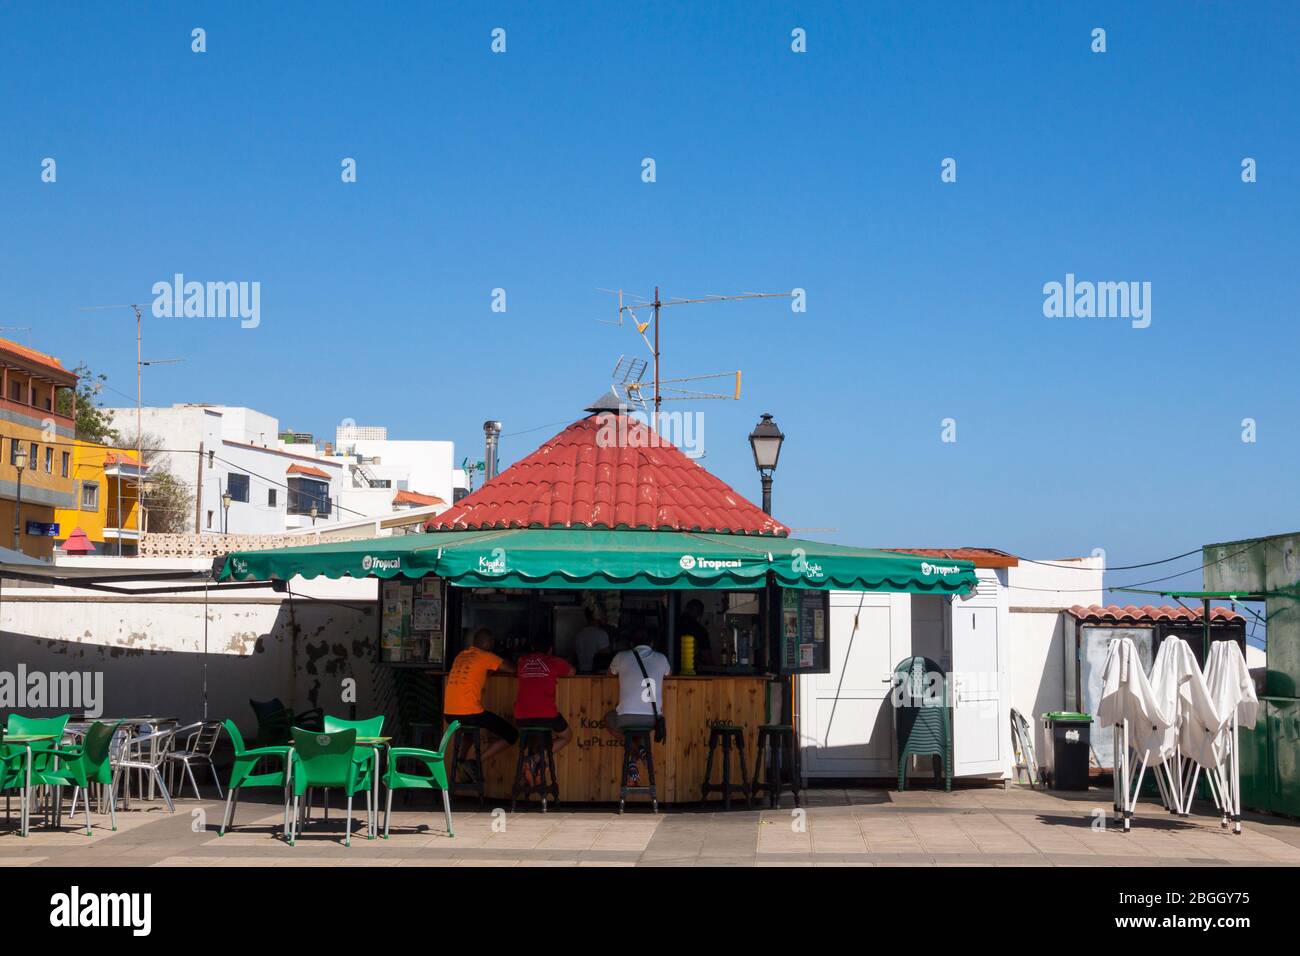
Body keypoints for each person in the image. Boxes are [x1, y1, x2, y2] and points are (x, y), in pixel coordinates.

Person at [443, 628, 517, 762]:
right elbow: (512, 669)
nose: (493, 646)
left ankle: (461, 762)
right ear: (487, 643)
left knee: (470, 730)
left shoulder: (461, 656)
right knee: (512, 735)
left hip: (449, 713)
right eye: (492, 643)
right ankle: (476, 763)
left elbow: (478, 672)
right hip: (470, 713)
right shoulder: (486, 656)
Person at [514, 632, 575, 755]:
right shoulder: (554, 661)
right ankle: (537, 758)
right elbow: (572, 672)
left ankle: (529, 763)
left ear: (532, 648)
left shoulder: (521, 661)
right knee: (567, 736)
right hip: (547, 716)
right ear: (550, 649)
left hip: (521, 717)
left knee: (530, 740)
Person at [676, 598, 713, 666]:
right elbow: (707, 655)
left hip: (669, 667)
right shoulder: (699, 630)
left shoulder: (672, 625)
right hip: (690, 669)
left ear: (686, 609)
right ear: (700, 614)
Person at [574, 606, 611, 673]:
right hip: (595, 675)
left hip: (581, 672)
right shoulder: (601, 634)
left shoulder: (579, 634)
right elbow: (605, 656)